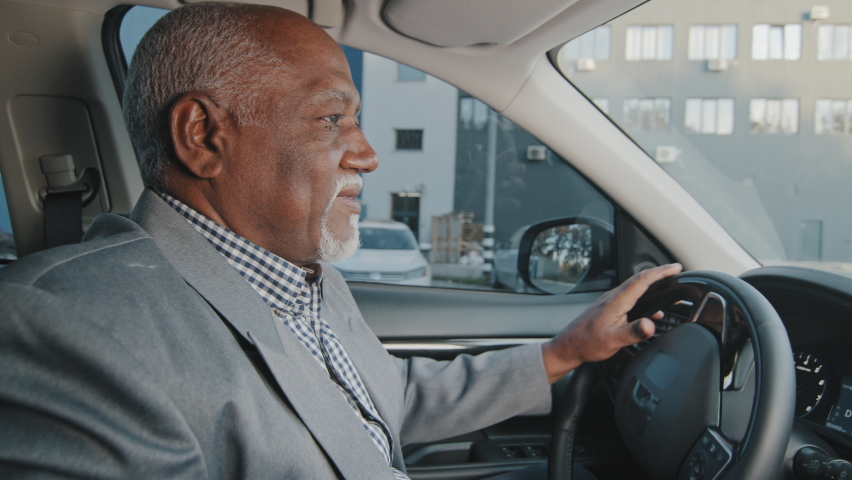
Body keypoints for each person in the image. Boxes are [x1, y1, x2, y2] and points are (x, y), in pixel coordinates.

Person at [0, 2, 682, 478]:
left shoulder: (297, 273)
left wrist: (565, 352)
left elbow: (378, 403)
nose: (367, 154)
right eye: (332, 119)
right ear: (203, 137)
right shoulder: (67, 323)